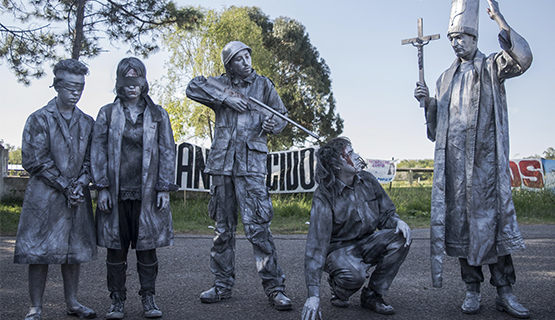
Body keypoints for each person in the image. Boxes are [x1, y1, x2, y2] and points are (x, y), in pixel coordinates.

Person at [413, 0, 532, 318]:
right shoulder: (444, 78)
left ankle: (505, 292)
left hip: (486, 169)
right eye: (452, 38)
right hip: (457, 170)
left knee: (493, 230)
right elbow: (437, 132)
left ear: (474, 38)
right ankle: (472, 290)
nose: (455, 43)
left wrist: (498, 18)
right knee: (464, 230)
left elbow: (522, 59)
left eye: (461, 37)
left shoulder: (492, 66)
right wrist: (428, 105)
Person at [185, 41, 293, 311]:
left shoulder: (264, 85)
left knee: (259, 230)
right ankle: (222, 285)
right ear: (229, 65)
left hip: (251, 167)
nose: (245, 62)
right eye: (239, 59)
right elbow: (193, 86)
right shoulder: (219, 84)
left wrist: (273, 123)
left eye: (247, 56)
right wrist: (226, 98)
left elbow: (282, 116)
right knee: (222, 231)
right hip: (222, 166)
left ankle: (275, 288)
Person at [91, 57, 178, 319]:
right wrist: (102, 187)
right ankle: (117, 300)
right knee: (116, 250)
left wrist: (163, 187)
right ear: (119, 83)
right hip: (115, 193)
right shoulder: (106, 113)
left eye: (137, 80)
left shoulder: (157, 113)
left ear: (144, 82)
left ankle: (148, 298)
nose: (132, 86)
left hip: (148, 193)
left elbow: (167, 150)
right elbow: (97, 151)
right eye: (127, 80)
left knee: (146, 248)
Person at [14, 59, 97, 320]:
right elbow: (34, 159)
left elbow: (93, 159)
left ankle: (72, 302)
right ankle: (35, 307)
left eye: (80, 88)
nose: (76, 93)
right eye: (71, 87)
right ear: (57, 86)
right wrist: (65, 185)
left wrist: (81, 183)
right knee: (39, 253)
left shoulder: (87, 121)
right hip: (45, 197)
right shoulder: (39, 119)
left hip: (76, 197)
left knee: (72, 253)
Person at [302, 137, 411, 320]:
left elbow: (386, 214)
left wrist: (397, 222)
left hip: (366, 242)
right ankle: (339, 287)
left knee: (401, 236)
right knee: (354, 275)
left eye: (355, 151)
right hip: (338, 250)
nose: (358, 156)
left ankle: (372, 295)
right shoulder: (324, 195)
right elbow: (316, 247)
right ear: (337, 165)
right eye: (350, 154)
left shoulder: (368, 180)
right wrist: (313, 296)